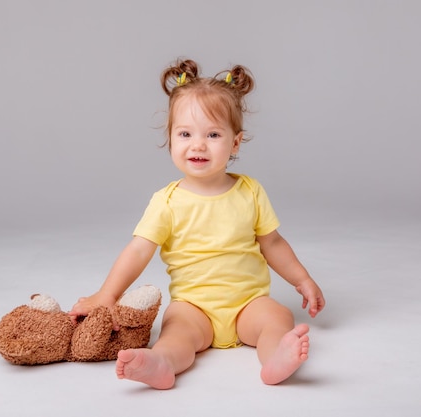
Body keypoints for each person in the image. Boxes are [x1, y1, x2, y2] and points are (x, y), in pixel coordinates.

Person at [69, 58, 325, 389]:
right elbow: (138, 251)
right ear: (171, 139)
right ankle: (161, 363)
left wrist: (301, 278)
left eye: (213, 134)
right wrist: (106, 295)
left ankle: (276, 357)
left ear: (235, 142)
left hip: (248, 303)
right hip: (194, 306)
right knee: (177, 333)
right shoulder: (167, 202)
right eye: (185, 133)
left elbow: (272, 243)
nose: (198, 144)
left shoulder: (250, 191)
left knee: (278, 318)